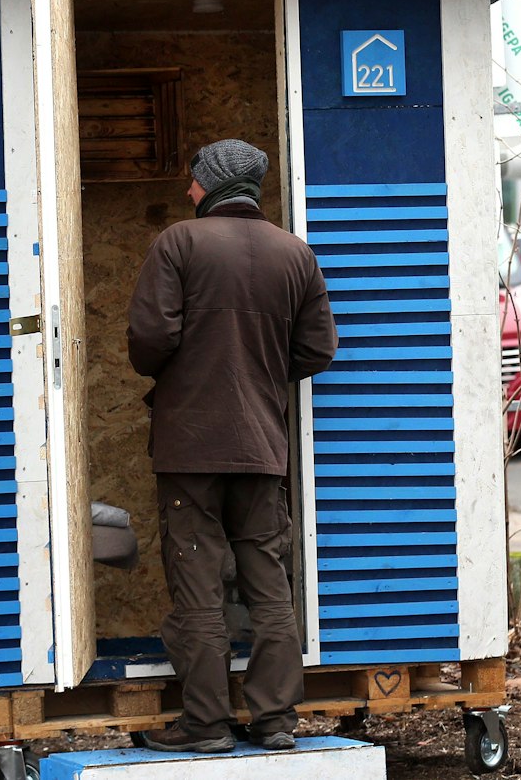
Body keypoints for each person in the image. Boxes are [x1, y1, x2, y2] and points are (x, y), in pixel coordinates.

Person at [126, 138, 337, 754]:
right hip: (262, 447)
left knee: (198, 584)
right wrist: (263, 370)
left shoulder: (179, 244)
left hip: (190, 446)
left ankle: (207, 726)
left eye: (193, 180)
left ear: (211, 184)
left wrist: (181, 370)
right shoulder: (295, 254)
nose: (187, 190)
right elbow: (318, 350)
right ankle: (275, 723)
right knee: (268, 583)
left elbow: (149, 339)